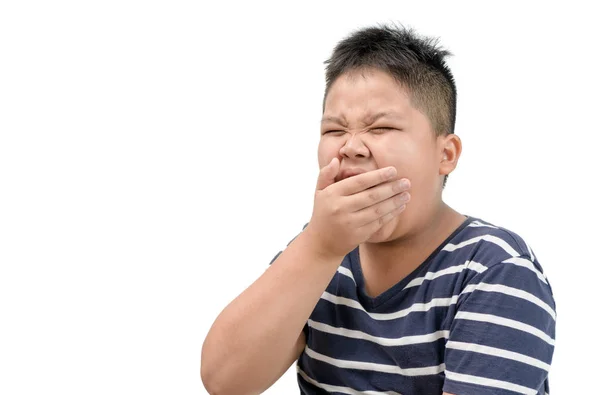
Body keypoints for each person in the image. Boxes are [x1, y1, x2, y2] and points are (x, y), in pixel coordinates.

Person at [201, 23, 556, 395]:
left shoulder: (494, 268)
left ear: (445, 154)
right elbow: (226, 382)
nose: (351, 147)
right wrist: (319, 248)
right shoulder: (316, 253)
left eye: (381, 127)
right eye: (334, 131)